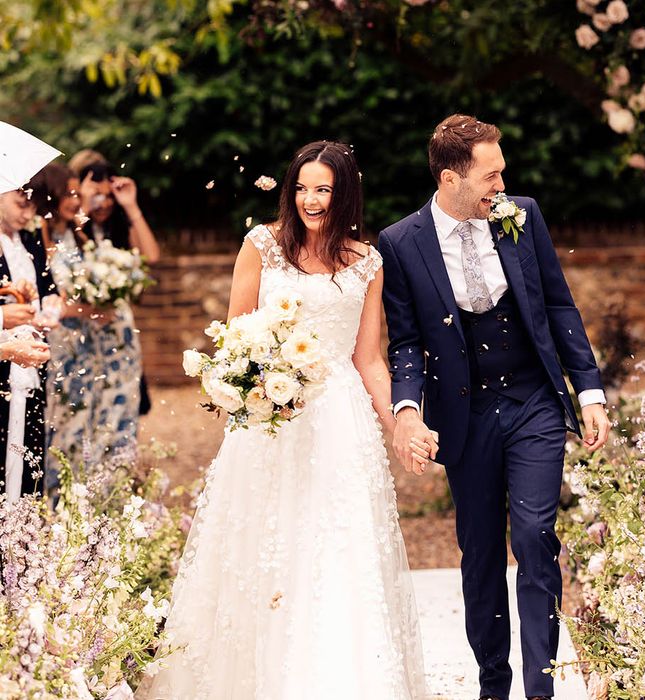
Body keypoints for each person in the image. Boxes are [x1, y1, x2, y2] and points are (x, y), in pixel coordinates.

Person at [144, 141, 425, 699]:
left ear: (345, 194)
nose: (310, 199)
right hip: (270, 421)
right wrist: (251, 389)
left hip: (342, 421)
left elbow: (368, 357)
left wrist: (399, 426)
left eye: (323, 189)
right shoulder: (261, 246)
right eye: (302, 187)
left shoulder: (366, 261)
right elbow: (235, 339)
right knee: (265, 544)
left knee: (339, 546)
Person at [379, 114, 610, 700]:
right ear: (452, 177)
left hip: (532, 398)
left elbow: (559, 305)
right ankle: (493, 685)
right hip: (466, 411)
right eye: (491, 174)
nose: (501, 185)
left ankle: (542, 687)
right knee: (480, 551)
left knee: (535, 535)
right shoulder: (401, 243)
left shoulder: (521, 216)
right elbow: (404, 340)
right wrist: (408, 409)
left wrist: (588, 391)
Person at [46, 161, 159, 474]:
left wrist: (130, 204)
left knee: (114, 420)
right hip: (77, 344)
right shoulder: (65, 232)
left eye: (106, 194)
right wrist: (93, 308)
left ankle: (111, 495)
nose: (102, 201)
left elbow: (150, 257)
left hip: (113, 343)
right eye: (93, 192)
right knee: (76, 424)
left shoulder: (108, 229)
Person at [0, 182, 63, 501]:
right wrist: (3, 317)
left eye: (33, 204)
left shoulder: (31, 240)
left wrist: (51, 305)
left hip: (31, 364)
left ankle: (21, 539)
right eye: (20, 202)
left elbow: (49, 288)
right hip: (3, 362)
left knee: (29, 451)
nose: (30, 212)